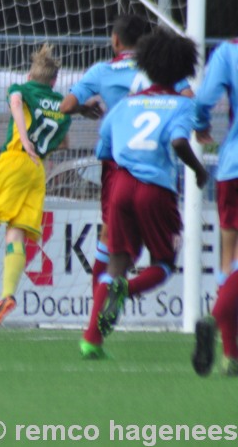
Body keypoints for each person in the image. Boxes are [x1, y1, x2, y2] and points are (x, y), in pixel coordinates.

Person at [79, 28, 207, 359]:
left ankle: (91, 340)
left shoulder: (125, 106)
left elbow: (103, 150)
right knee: (163, 263)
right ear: (183, 68)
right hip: (155, 190)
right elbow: (179, 142)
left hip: (121, 186)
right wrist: (199, 170)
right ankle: (126, 291)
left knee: (116, 262)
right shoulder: (182, 104)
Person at [61, 15, 193, 304]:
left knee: (110, 238)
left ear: (115, 40)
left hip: (117, 162)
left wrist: (85, 109)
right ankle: (112, 301)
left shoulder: (102, 70)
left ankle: (98, 310)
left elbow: (66, 106)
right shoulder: (161, 67)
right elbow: (188, 97)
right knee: (159, 248)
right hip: (156, 162)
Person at [0, 44, 71, 329]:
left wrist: (24, 135)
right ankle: (7, 296)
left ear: (30, 73)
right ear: (54, 81)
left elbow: (17, 101)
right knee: (16, 234)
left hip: (15, 160)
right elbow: (64, 142)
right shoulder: (63, 106)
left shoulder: (21, 88)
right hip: (38, 171)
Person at [190, 39, 238, 377]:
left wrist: (201, 121)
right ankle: (216, 315)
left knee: (229, 254)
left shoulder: (228, 51)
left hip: (232, 167)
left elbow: (204, 99)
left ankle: (231, 354)